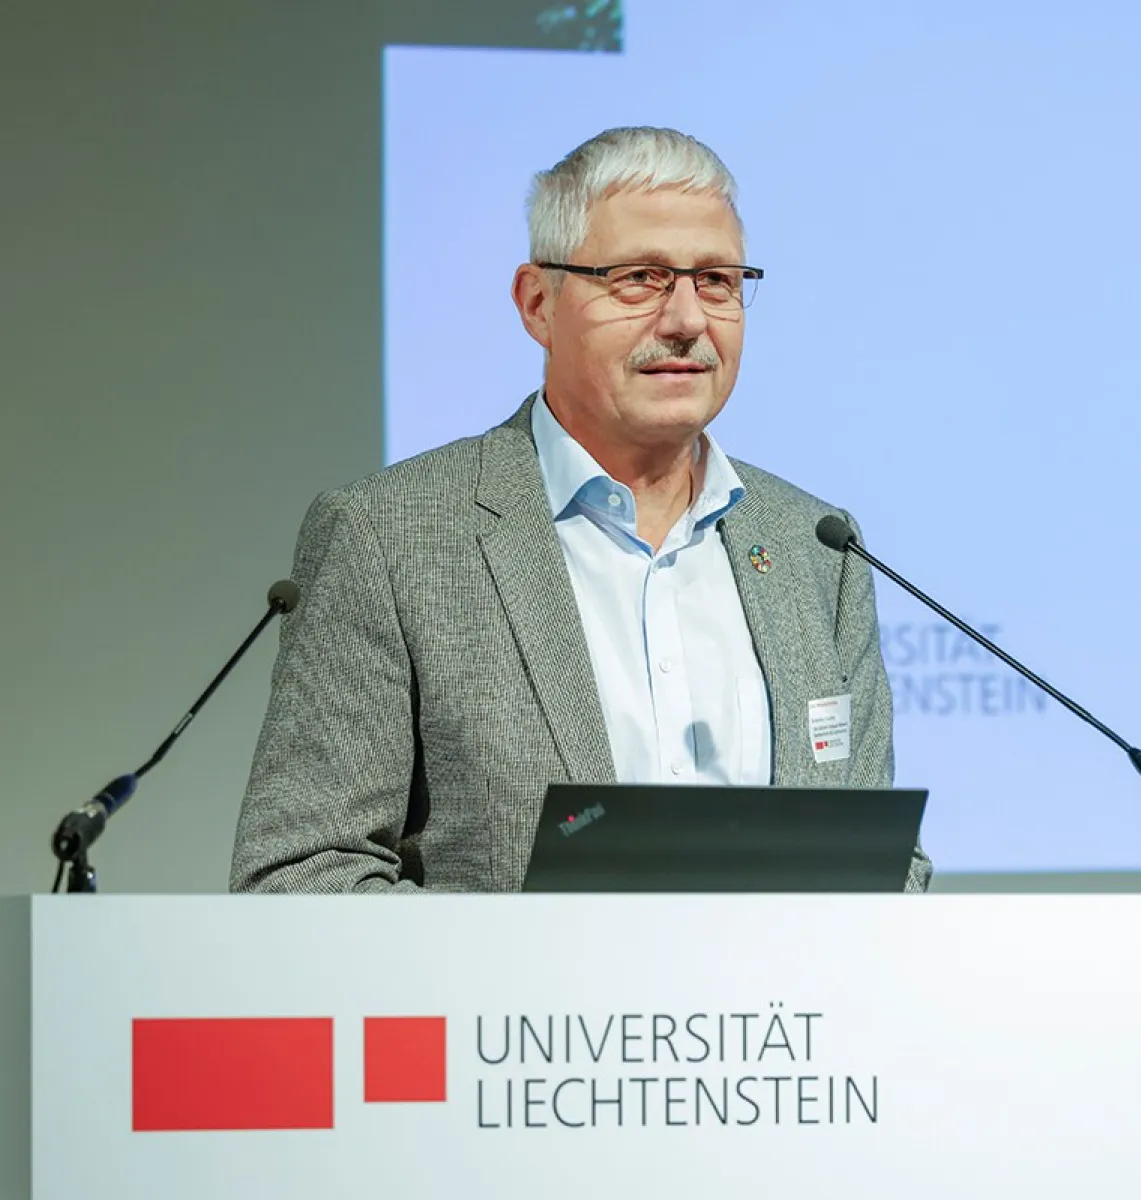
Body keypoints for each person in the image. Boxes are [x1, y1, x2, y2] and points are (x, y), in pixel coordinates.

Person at [229, 126, 930, 893]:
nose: (687, 320)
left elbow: (881, 872)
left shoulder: (815, 549)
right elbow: (302, 875)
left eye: (717, 281)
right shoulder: (390, 538)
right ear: (538, 303)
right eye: (640, 278)